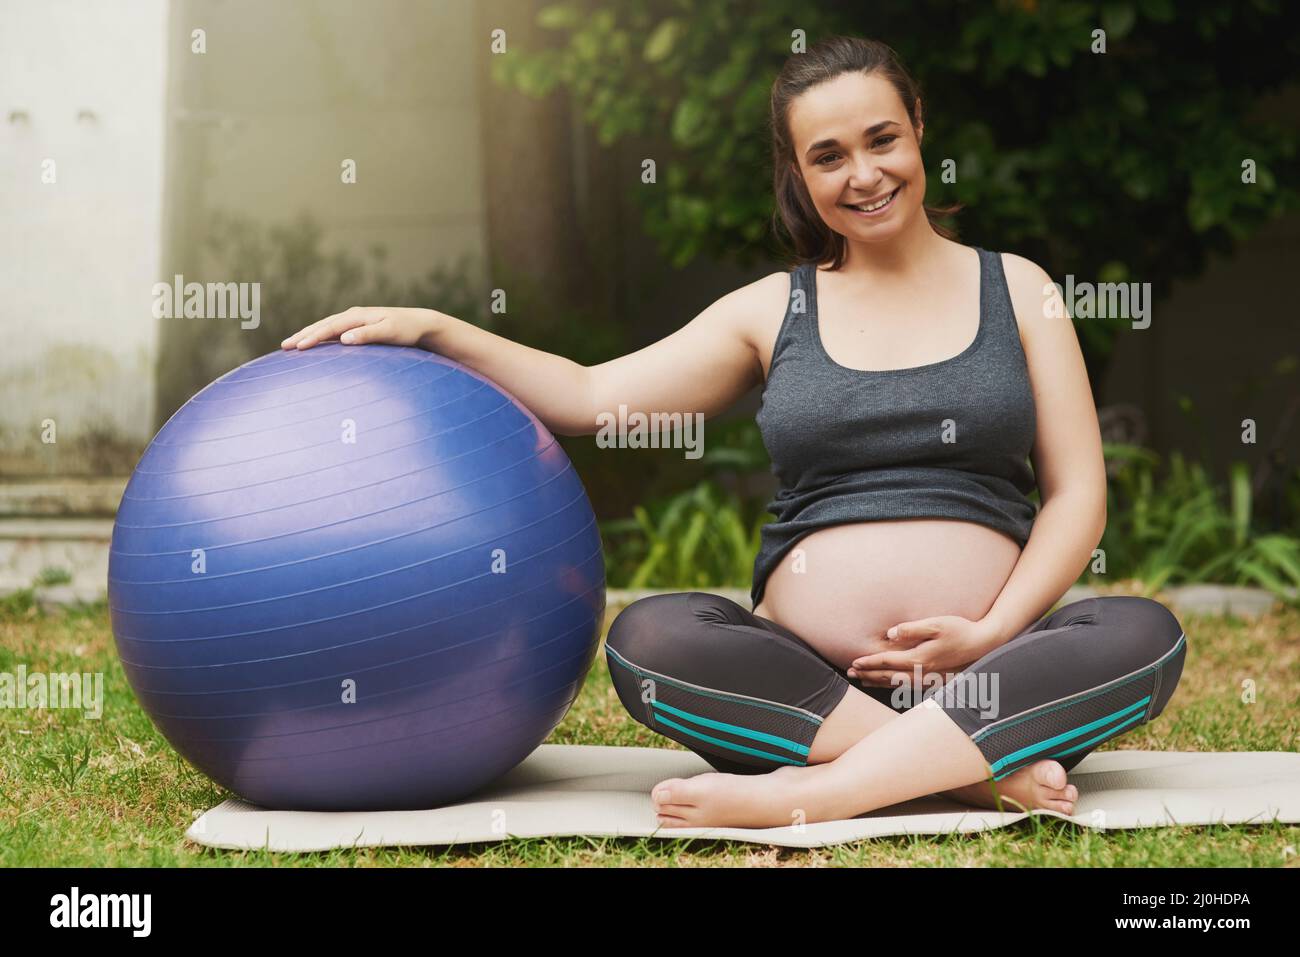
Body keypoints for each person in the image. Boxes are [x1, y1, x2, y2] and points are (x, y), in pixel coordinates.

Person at [280, 34, 1187, 830]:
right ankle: (973, 776)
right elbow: (594, 395)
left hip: (993, 669)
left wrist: (992, 630)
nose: (862, 174)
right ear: (798, 172)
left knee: (1144, 633)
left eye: (881, 139)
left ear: (919, 128)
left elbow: (1078, 495)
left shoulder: (1018, 288)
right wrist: (440, 327)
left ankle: (819, 794)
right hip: (810, 690)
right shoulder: (771, 311)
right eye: (827, 155)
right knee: (653, 641)